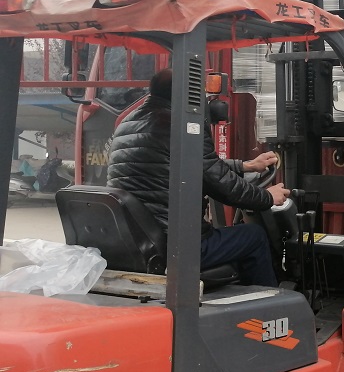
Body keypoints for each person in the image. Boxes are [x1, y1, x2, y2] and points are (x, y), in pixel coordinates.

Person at [107, 69, 290, 286]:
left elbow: (194, 164)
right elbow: (219, 183)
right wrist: (267, 197)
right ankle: (267, 302)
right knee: (254, 236)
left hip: (140, 239)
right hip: (177, 245)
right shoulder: (181, 124)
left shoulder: (130, 122)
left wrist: (246, 166)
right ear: (189, 93)